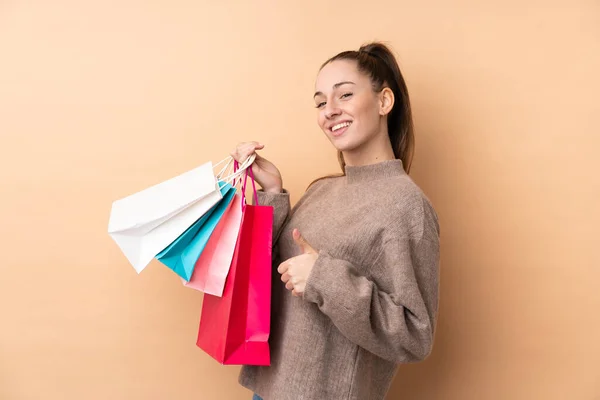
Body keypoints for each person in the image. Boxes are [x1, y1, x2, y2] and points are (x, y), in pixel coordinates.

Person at [231, 42, 440, 400]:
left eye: (344, 95)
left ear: (384, 102)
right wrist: (273, 192)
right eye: (319, 102)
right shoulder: (322, 190)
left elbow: (414, 335)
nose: (329, 111)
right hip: (268, 389)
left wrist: (324, 278)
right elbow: (271, 278)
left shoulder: (406, 205)